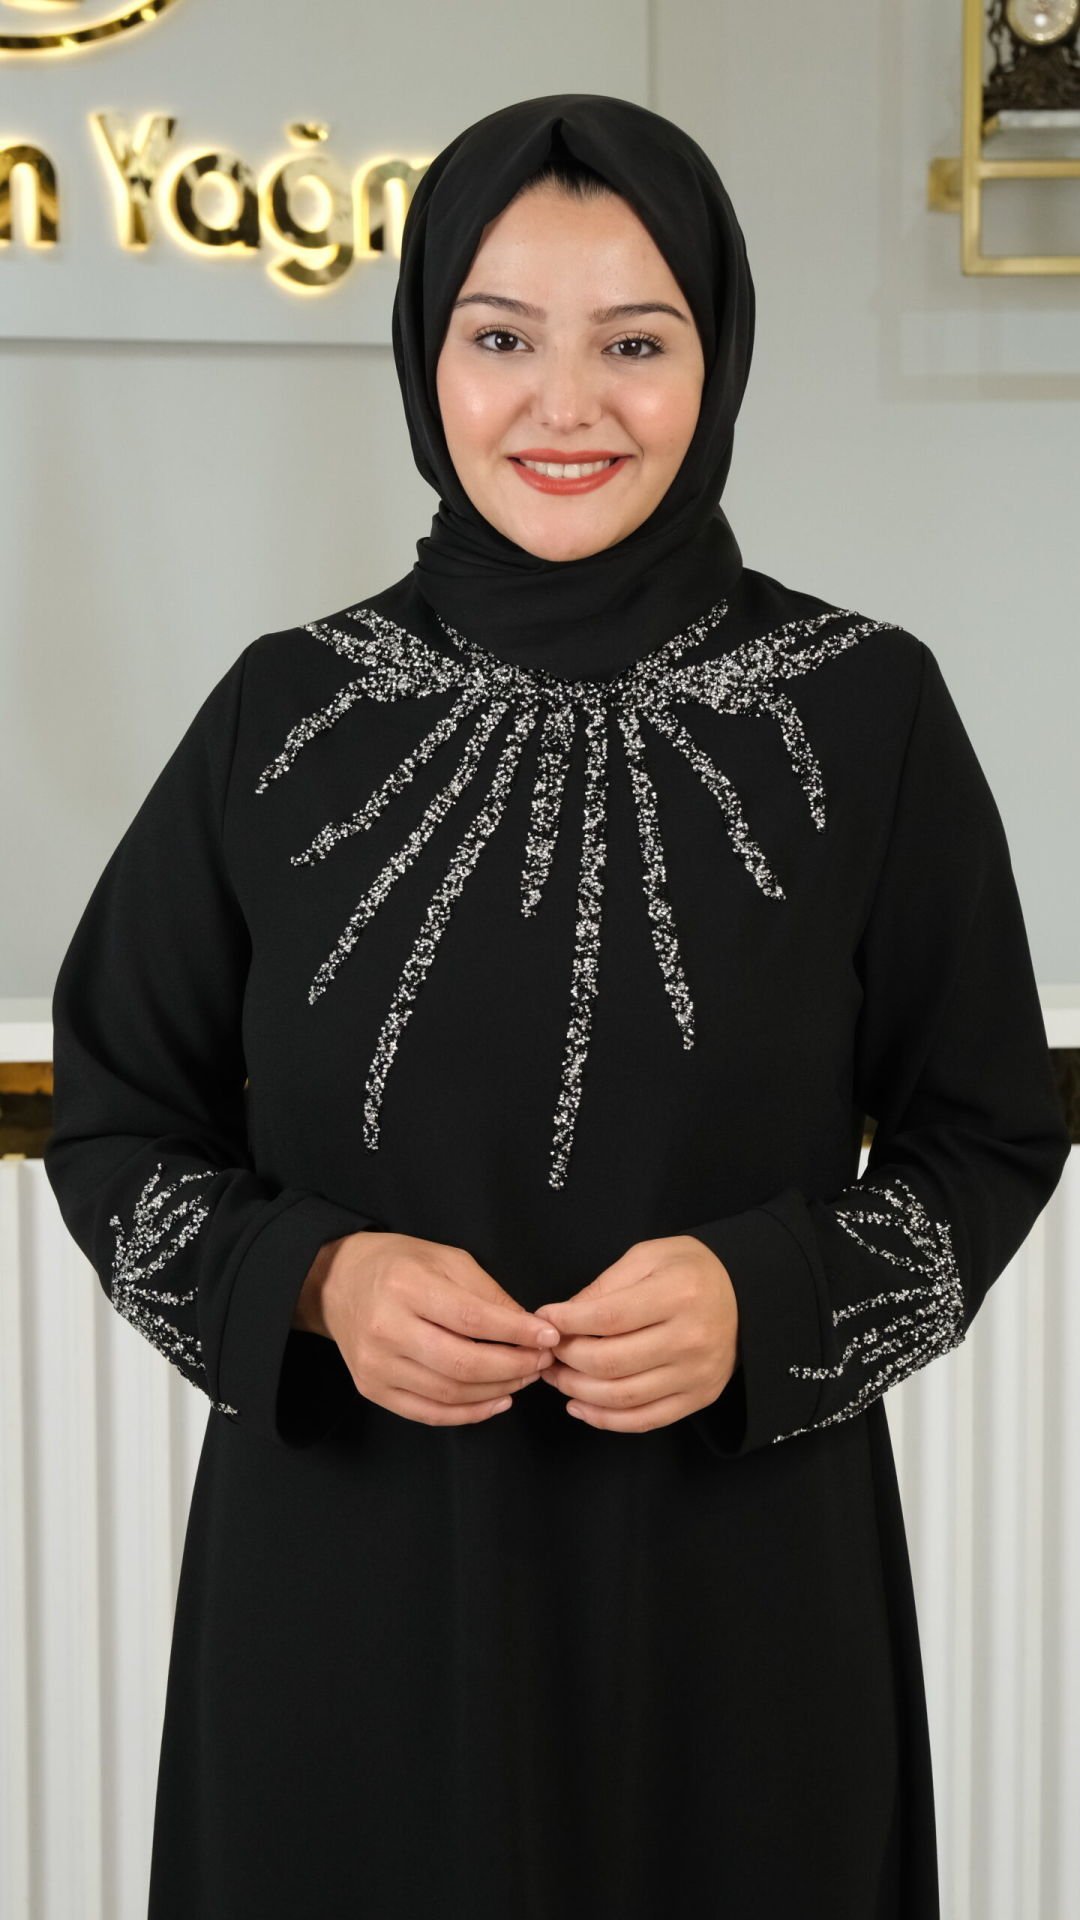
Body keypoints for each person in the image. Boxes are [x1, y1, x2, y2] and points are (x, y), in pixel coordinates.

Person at [43, 93, 1071, 1919]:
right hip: (347, 1600)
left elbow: (986, 1131)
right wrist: (318, 1283)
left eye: (636, 344)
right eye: (502, 339)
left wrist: (766, 1296)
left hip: (740, 1607)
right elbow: (119, 1120)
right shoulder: (284, 715)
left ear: (718, 358)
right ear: (426, 357)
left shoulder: (866, 711)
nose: (566, 405)